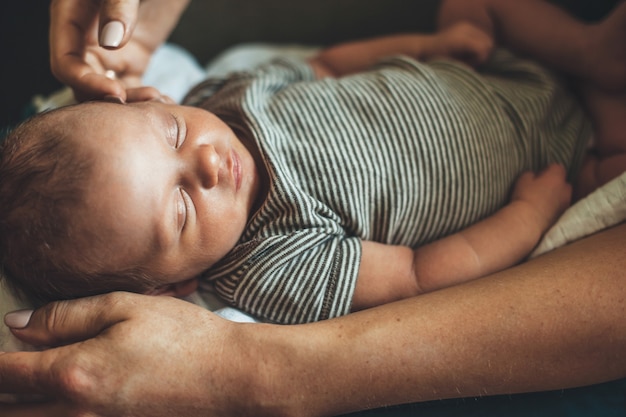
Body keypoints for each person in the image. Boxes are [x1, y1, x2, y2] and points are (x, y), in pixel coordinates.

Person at [0, 0, 624, 415]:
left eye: (169, 134)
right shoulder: (269, 265)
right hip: (547, 156)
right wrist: (530, 215)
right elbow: (419, 273)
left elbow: (326, 65)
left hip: (492, 71)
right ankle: (602, 114)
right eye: (183, 209)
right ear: (175, 286)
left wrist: (430, 43)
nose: (209, 162)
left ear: (146, 98)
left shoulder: (223, 98)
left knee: (480, 6)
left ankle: (590, 51)